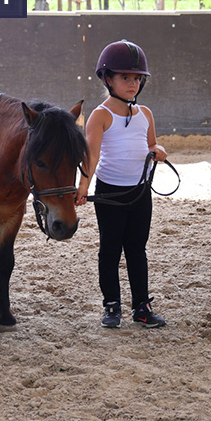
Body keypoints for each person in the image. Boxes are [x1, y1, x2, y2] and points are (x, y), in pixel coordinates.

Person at [75, 39, 168, 329]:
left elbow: (151, 144)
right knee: (110, 250)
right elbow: (91, 155)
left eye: (137, 78)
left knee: (137, 249)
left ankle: (142, 305)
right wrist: (83, 188)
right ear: (108, 78)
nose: (132, 84)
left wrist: (158, 151)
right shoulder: (100, 115)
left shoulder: (146, 114)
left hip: (140, 192)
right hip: (110, 193)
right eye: (125, 78)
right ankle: (111, 306)